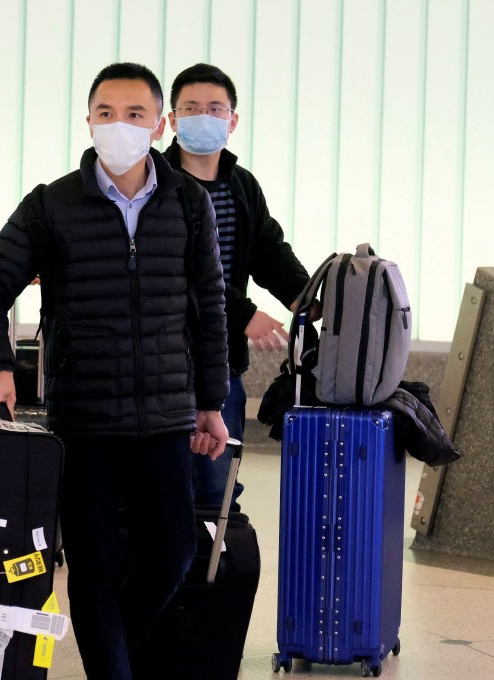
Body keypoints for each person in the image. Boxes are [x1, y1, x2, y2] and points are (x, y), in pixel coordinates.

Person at [0, 63, 230, 680]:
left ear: (159, 125)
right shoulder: (52, 205)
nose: (119, 126)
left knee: (174, 554)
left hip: (164, 416)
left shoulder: (189, 204)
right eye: (105, 113)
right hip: (84, 421)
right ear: (88, 122)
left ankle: (116, 659)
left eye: (135, 114)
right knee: (95, 566)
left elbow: (209, 307)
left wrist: (210, 401)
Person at [164, 63, 311, 510]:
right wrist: (245, 315)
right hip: (163, 359)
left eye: (214, 108)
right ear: (171, 119)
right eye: (191, 108)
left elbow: (268, 249)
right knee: (165, 484)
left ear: (232, 120)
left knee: (216, 483)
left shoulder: (242, 185)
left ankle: (210, 573)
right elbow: (179, 268)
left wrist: (306, 296)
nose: (202, 116)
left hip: (220, 362)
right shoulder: (157, 185)